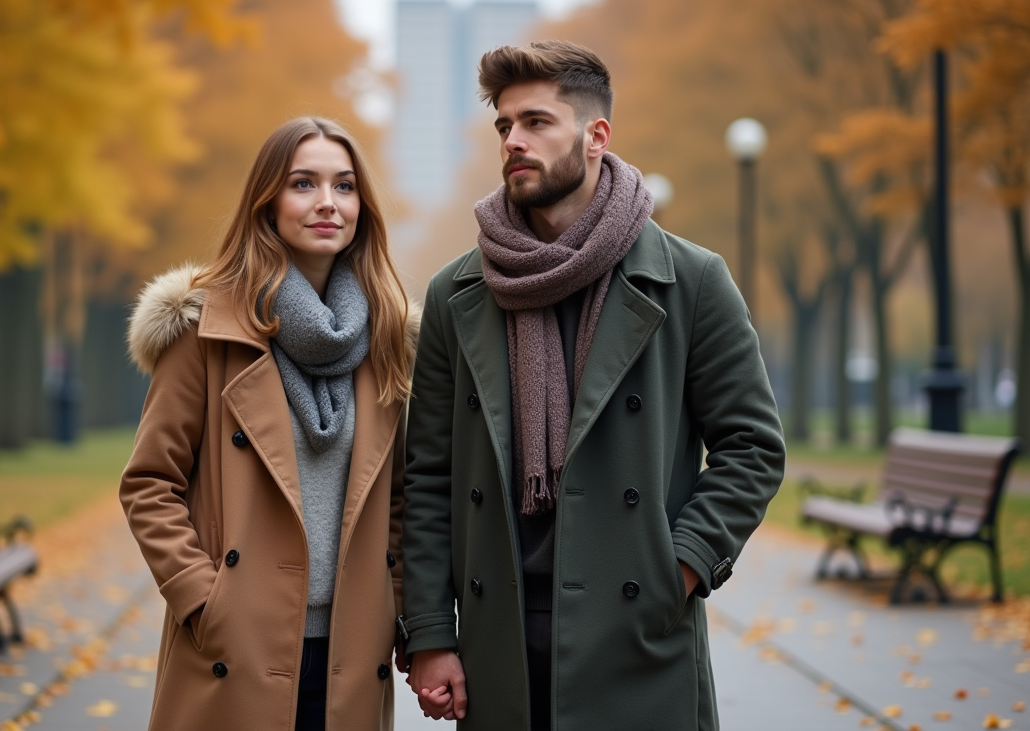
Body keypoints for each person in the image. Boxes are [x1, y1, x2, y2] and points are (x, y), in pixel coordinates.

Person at [400, 40, 785, 730]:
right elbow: (428, 476)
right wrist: (430, 634)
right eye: (504, 125)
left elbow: (753, 447)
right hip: (499, 640)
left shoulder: (691, 281)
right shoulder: (457, 292)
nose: (513, 141)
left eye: (537, 122)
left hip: (636, 631)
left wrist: (683, 567)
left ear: (596, 135)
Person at [121, 116, 414, 731]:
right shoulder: (206, 331)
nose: (327, 203)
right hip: (234, 650)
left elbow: (404, 501)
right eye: (303, 183)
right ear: (267, 202)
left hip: (352, 653)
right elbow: (149, 482)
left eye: (344, 185)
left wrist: (402, 610)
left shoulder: (390, 339)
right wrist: (204, 599)